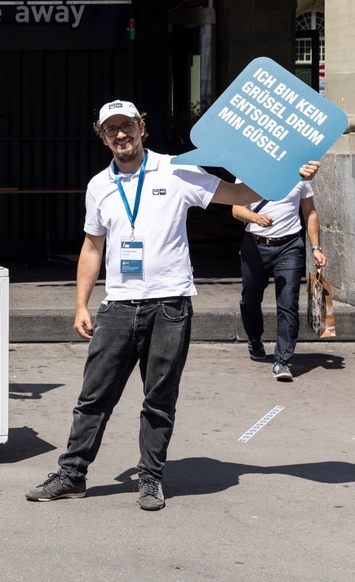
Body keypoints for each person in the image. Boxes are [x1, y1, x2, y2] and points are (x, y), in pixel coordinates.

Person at [25, 100, 319, 512]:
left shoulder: (176, 170)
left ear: (143, 127)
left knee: (159, 399)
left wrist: (289, 173)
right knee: (93, 397)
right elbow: (93, 247)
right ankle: (72, 475)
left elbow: (237, 194)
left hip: (169, 305)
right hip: (118, 307)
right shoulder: (98, 186)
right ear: (102, 135)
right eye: (111, 130)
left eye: (127, 126)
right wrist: (81, 304)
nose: (121, 135)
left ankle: (150, 478)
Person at [232, 184, 327, 381]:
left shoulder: (301, 177)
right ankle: (255, 338)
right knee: (250, 299)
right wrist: (255, 218)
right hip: (255, 244)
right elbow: (236, 209)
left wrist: (316, 248)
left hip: (289, 247)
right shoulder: (248, 171)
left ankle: (282, 360)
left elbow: (309, 211)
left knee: (288, 303)